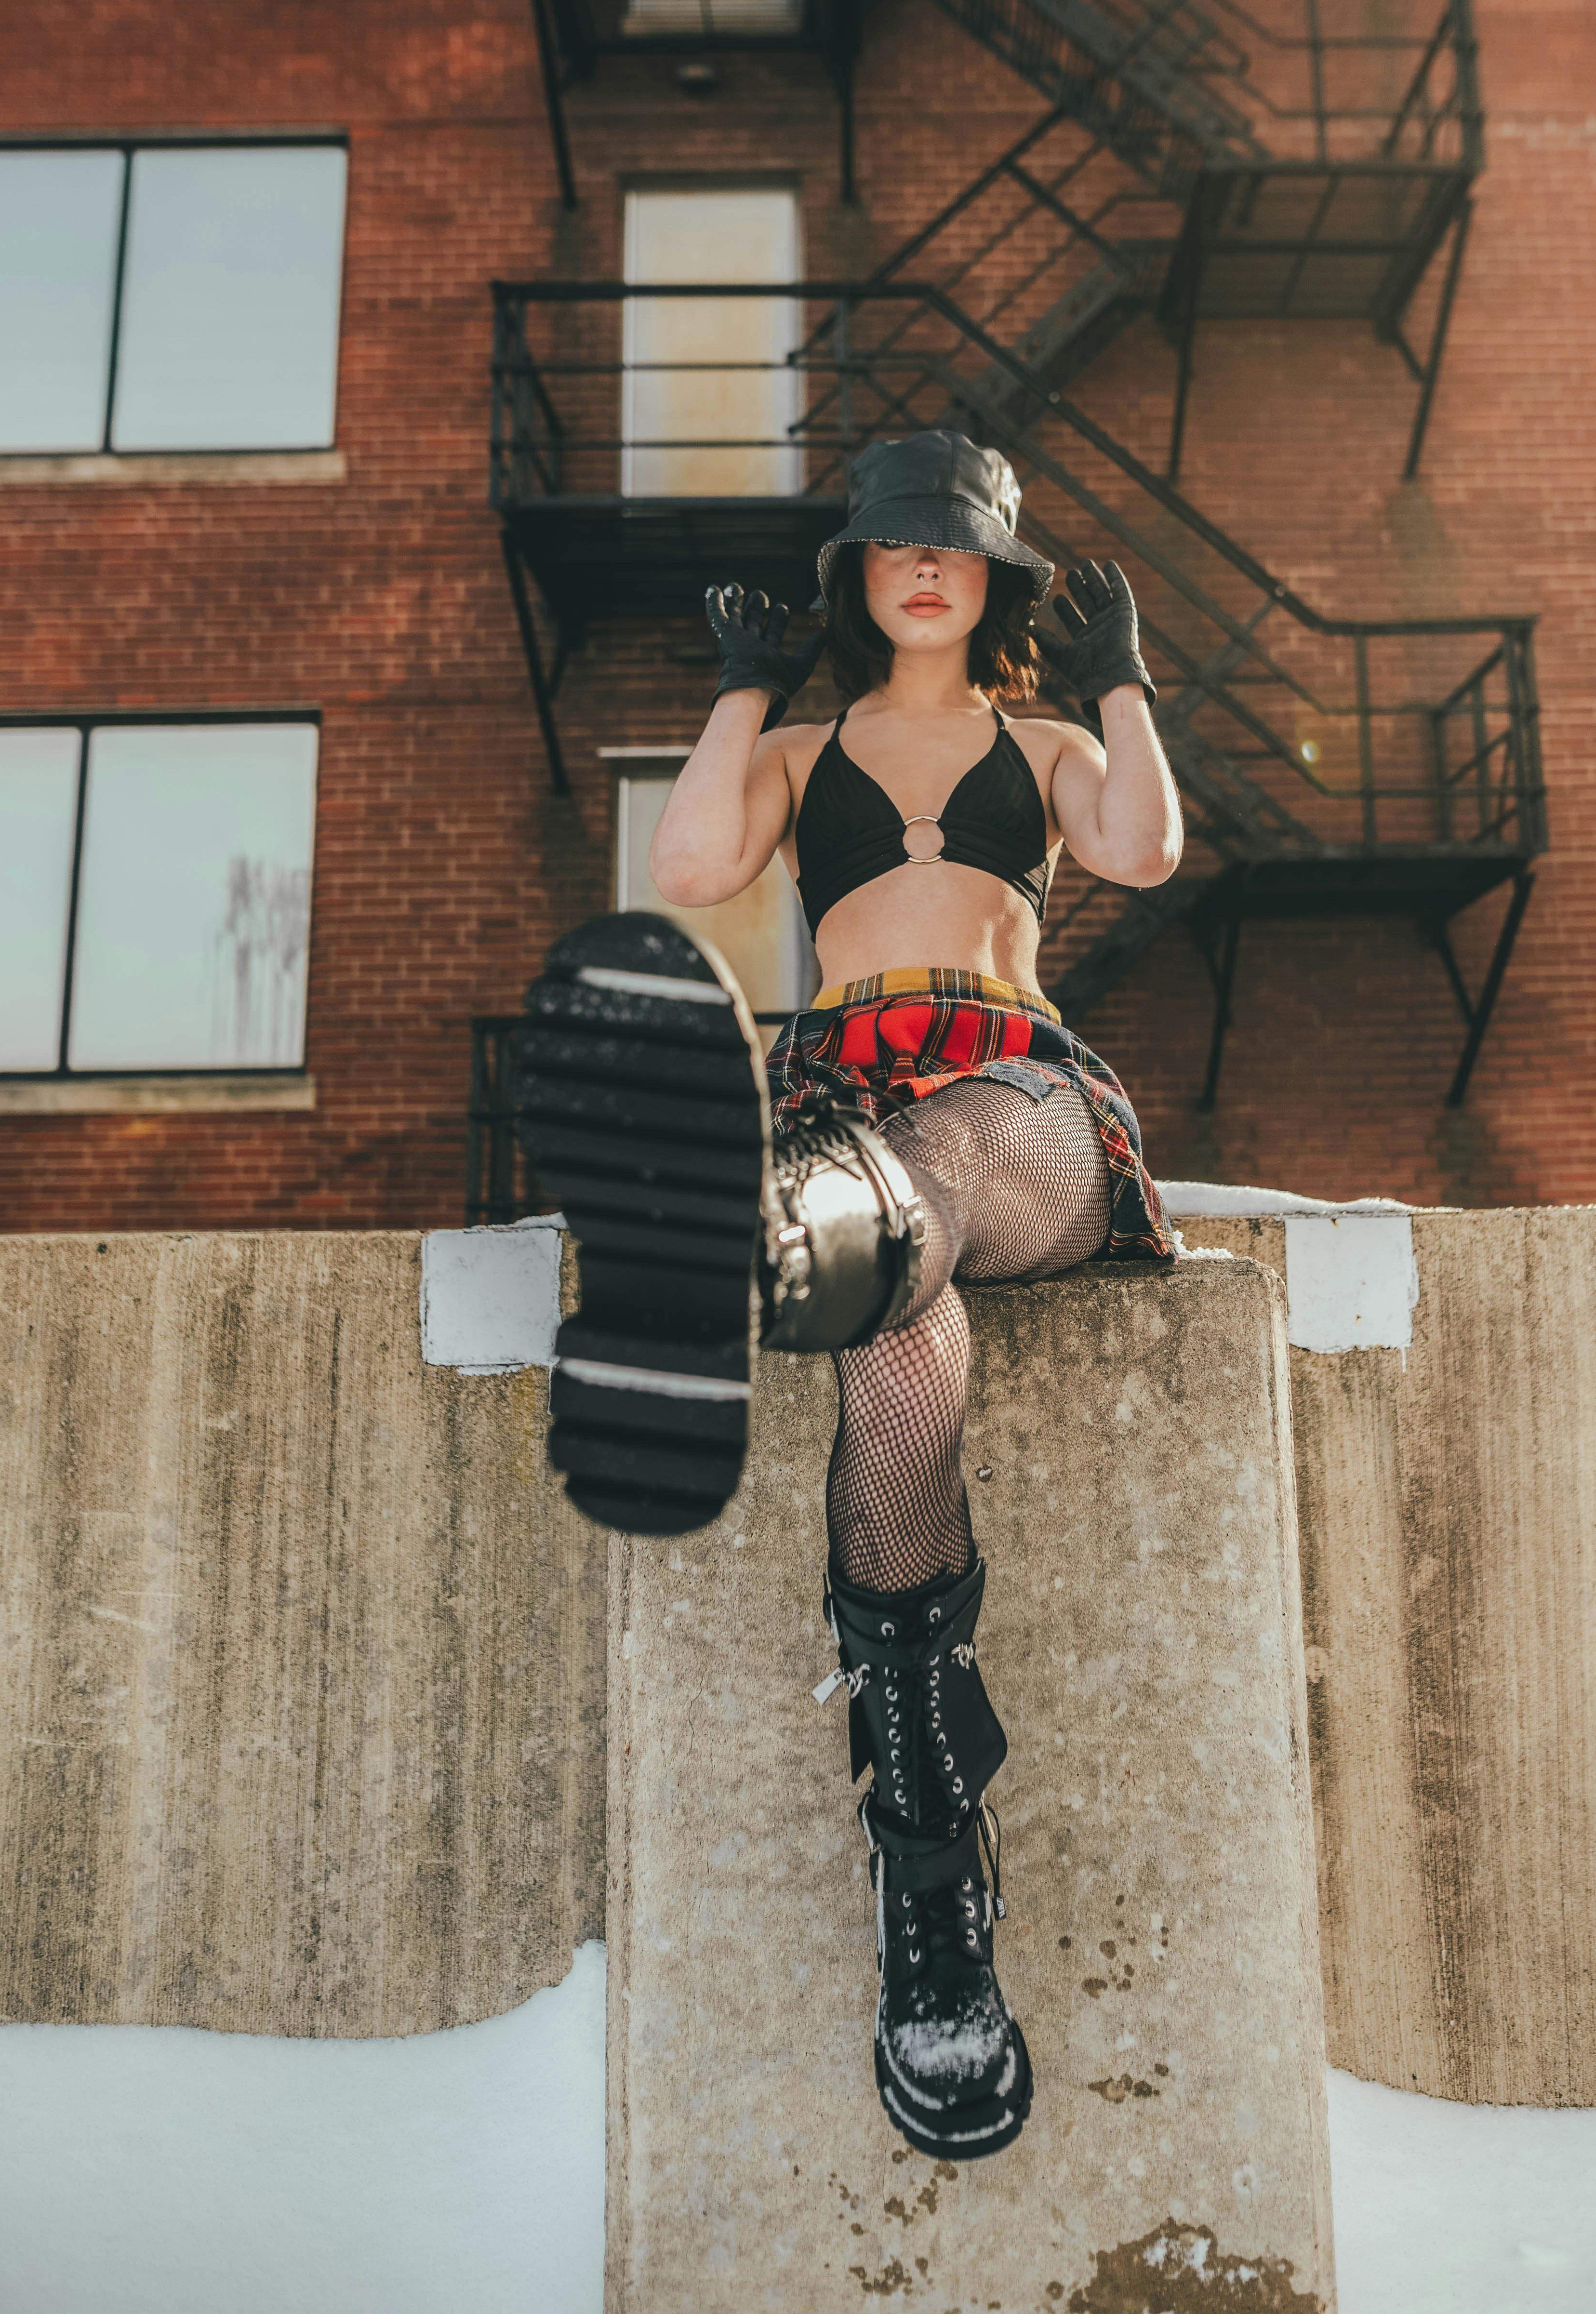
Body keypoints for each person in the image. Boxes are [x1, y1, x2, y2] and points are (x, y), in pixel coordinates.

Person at [512, 427, 1183, 2163]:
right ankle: (931, 1845)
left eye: (957, 550)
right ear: (857, 579)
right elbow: (687, 872)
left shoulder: (1040, 739)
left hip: (1015, 1102)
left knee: (916, 1195)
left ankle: (827, 1222)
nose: (926, 570)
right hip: (837, 1087)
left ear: (999, 581)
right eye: (895, 549)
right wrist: (740, 690)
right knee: (895, 1350)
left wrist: (1123, 694)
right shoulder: (805, 748)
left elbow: (1147, 849)